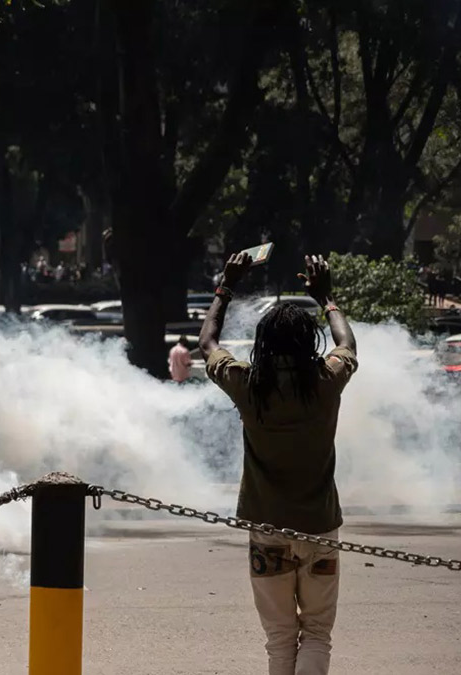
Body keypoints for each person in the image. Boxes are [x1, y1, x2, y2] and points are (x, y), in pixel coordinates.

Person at [198, 254, 358, 675]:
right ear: (309, 344)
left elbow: (208, 344)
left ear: (263, 343)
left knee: (280, 639)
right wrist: (326, 298)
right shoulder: (326, 381)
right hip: (320, 525)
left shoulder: (249, 385)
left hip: (266, 528)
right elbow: (348, 345)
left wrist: (225, 287)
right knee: (318, 632)